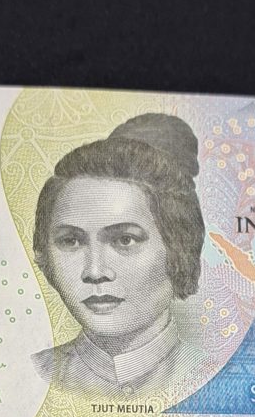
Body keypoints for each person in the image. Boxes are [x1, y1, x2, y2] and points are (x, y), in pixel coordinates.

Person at [31, 113, 206, 398]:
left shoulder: (216, 375)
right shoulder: (31, 376)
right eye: (71, 241)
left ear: (179, 249)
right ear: (45, 256)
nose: (95, 271)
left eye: (125, 240)